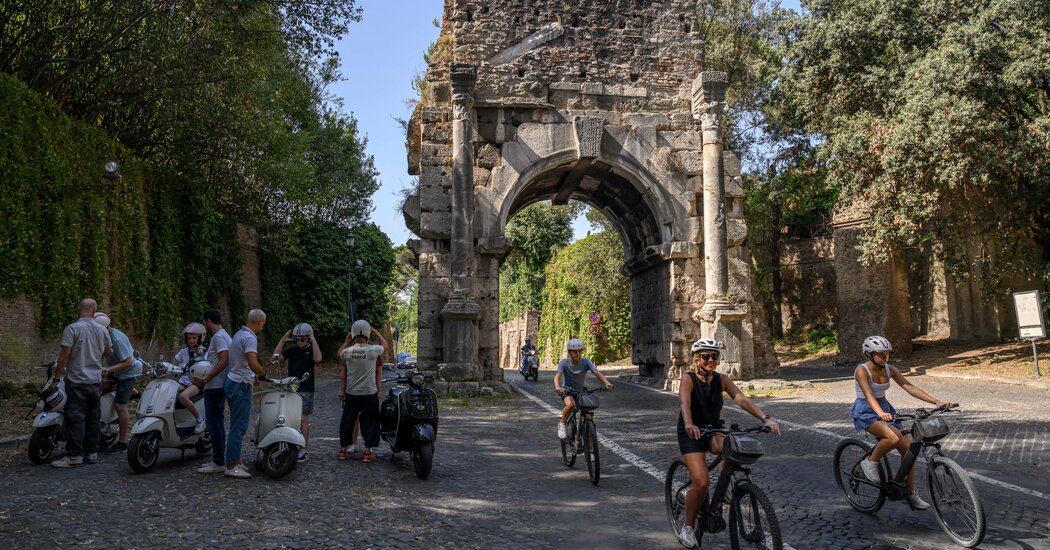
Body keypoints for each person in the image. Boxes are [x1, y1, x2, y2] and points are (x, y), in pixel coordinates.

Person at [675, 338, 781, 548]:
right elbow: (684, 402)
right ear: (697, 358)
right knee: (702, 482)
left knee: (731, 448)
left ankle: (722, 494)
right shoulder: (688, 379)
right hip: (692, 433)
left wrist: (765, 418)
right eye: (706, 356)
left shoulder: (722, 379)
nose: (711, 360)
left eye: (715, 356)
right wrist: (688, 423)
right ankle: (687, 527)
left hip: (713, 429)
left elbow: (741, 399)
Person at [851, 335, 950, 511]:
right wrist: (880, 413)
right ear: (869, 354)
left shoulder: (890, 369)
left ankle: (910, 493)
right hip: (867, 411)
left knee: (909, 450)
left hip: (885, 409)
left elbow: (909, 386)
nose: (885, 357)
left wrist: (936, 402)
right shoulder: (862, 370)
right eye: (880, 354)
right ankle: (870, 462)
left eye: (887, 354)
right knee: (893, 437)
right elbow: (868, 395)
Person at [50, 298, 112, 468]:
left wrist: (56, 379)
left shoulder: (72, 329)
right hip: (95, 380)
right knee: (93, 417)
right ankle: (91, 453)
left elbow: (64, 355)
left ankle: (74, 456)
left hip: (77, 380)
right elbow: (108, 351)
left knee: (75, 417)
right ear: (94, 311)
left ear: (79, 309)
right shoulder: (102, 330)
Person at [222, 309, 269, 479]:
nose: (262, 327)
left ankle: (235, 459)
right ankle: (232, 465)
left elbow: (239, 361)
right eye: (263, 324)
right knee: (239, 427)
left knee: (236, 423)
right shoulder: (250, 338)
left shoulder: (238, 334)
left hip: (233, 380)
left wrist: (252, 375)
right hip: (240, 385)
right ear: (259, 322)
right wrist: (262, 373)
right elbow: (251, 361)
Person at [337, 320, 386, 463]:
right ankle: (367, 452)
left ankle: (343, 450)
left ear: (352, 334)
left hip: (352, 392)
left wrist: (346, 342)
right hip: (369, 392)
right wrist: (377, 333)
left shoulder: (347, 352)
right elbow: (386, 345)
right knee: (370, 421)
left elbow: (339, 353)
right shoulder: (373, 350)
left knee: (348, 420)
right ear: (368, 334)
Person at [93, 313, 142, 455]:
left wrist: (108, 369)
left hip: (128, 372)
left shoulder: (117, 339)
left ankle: (123, 442)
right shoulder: (103, 335)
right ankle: (135, 393)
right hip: (116, 369)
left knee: (120, 405)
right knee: (100, 391)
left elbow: (128, 362)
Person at [271, 322, 321, 462]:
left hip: (305, 388)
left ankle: (303, 449)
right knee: (288, 417)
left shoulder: (311, 350)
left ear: (308, 338)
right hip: (290, 387)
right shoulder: (292, 349)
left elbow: (318, 359)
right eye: (297, 339)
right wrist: (282, 340)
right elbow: (275, 358)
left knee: (303, 419)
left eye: (302, 339)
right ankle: (291, 444)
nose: (299, 342)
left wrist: (313, 338)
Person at [553, 338, 614, 439]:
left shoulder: (586, 362)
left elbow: (597, 372)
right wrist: (558, 387)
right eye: (574, 351)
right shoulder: (564, 363)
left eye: (579, 351)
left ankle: (590, 449)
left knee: (588, 416)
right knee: (571, 404)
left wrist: (607, 383)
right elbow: (557, 376)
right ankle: (562, 424)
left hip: (580, 392)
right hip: (567, 391)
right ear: (570, 352)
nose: (577, 353)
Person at [196, 309, 231, 474]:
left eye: (205, 322)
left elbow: (225, 359)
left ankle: (218, 461)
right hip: (217, 385)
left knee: (213, 424)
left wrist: (207, 377)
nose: (205, 325)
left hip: (215, 386)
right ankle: (220, 459)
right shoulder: (223, 336)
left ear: (208, 321)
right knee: (217, 423)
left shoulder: (219, 337)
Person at [174, 322, 208, 434]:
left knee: (183, 397)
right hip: (183, 381)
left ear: (200, 338)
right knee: (168, 392)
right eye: (189, 338)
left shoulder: (204, 352)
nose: (191, 340)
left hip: (196, 383)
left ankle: (200, 419)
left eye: (194, 338)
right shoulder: (183, 352)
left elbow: (208, 367)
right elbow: (174, 364)